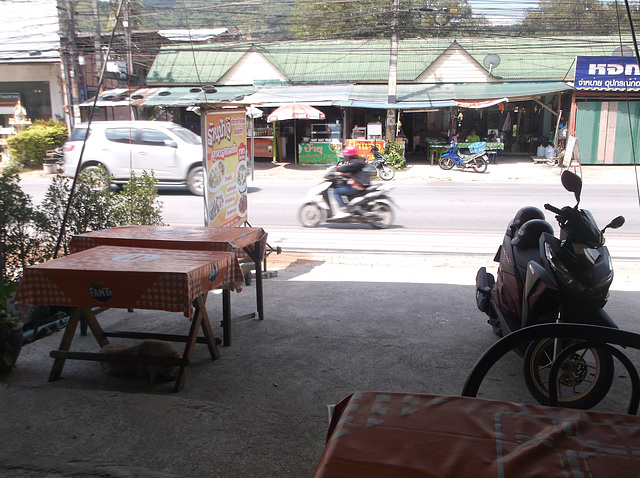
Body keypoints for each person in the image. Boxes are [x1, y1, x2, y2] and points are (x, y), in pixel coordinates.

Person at [332, 145, 371, 218]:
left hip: (359, 185)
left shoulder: (355, 163)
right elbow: (351, 172)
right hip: (361, 183)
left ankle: (343, 210)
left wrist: (337, 169)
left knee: (336, 191)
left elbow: (346, 168)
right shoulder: (358, 161)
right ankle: (350, 207)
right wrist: (343, 174)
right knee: (344, 185)